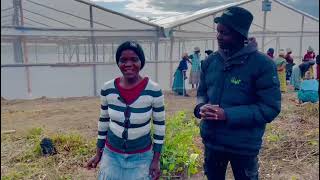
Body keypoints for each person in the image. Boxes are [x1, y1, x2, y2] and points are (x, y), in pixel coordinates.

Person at [193, 7, 281, 180]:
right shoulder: (211, 62)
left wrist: (227, 114)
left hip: (243, 146)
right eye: (218, 31)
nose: (218, 36)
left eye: (224, 33)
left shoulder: (262, 65)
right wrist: (200, 107)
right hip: (213, 143)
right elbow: (202, 93)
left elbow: (270, 108)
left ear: (240, 35)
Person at [86, 41, 165, 180]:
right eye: (123, 60)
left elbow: (159, 126)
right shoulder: (108, 88)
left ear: (141, 62)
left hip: (142, 156)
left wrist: (155, 160)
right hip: (112, 155)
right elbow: (103, 121)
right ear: (118, 63)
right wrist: (99, 153)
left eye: (134, 59)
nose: (128, 64)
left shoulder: (154, 90)